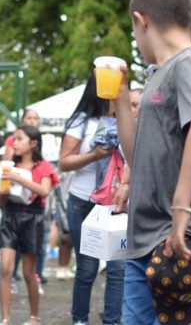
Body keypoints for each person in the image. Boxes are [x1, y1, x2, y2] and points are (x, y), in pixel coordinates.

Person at [117, 0, 191, 323]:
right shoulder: (157, 75)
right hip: (149, 237)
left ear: (142, 21)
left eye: (134, 31)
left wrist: (181, 209)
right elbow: (139, 158)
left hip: (184, 237)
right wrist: (121, 96)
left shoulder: (188, 62)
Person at [59, 74, 125, 325]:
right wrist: (96, 154)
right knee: (87, 268)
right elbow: (65, 162)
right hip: (83, 201)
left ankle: (112, 321)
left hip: (116, 202)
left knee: (118, 268)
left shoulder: (126, 118)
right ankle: (80, 320)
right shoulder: (81, 121)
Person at [0, 125, 59, 325]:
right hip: (9, 216)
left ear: (33, 143)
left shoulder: (44, 166)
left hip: (32, 219)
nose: (14, 143)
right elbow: (0, 200)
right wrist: (2, 194)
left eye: (19, 139)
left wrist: (18, 179)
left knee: (28, 272)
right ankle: (5, 318)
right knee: (5, 269)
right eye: (13, 139)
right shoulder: (8, 166)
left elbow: (44, 191)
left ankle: (34, 316)